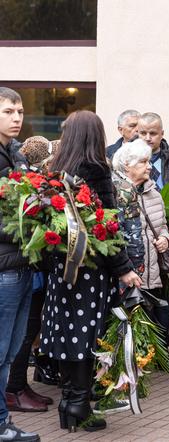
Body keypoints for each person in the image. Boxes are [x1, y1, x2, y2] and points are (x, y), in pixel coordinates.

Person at [42, 110, 142, 433]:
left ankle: (68, 401)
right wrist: (125, 270)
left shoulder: (56, 170)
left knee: (67, 334)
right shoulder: (98, 170)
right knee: (85, 337)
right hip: (91, 272)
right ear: (95, 136)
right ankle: (80, 406)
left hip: (64, 270)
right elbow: (109, 227)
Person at [111, 139, 169, 374]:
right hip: (129, 270)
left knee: (158, 312)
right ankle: (130, 363)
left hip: (152, 269)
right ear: (126, 166)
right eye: (143, 162)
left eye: (149, 161)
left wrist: (165, 240)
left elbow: (163, 227)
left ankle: (152, 358)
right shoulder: (117, 195)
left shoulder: (154, 194)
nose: (149, 166)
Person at [0, 86, 40, 441]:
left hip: (22, 264)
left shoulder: (16, 154)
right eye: (9, 111)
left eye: (21, 112)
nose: (17, 118)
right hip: (3, 269)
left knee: (12, 351)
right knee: (0, 351)